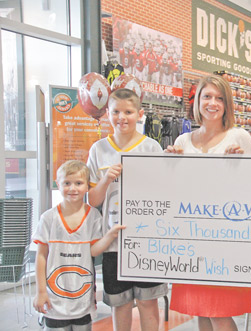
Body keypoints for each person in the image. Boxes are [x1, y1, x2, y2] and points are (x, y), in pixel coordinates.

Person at [165, 74, 251, 331]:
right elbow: (174, 189)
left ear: (227, 104)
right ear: (197, 101)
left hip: (226, 239)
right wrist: (167, 163)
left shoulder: (239, 137)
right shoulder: (183, 141)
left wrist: (240, 166)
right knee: (201, 312)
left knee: (220, 313)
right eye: (207, 96)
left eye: (219, 98)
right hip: (192, 240)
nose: (212, 103)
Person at [87, 88, 168, 331]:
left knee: (147, 303)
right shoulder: (98, 149)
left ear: (140, 114)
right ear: (107, 114)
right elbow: (92, 200)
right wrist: (105, 180)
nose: (122, 117)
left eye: (128, 112)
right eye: (116, 112)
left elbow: (164, 195)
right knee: (120, 305)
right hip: (113, 243)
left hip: (146, 241)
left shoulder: (152, 148)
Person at [33, 160, 125, 331]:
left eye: (78, 183)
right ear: (58, 184)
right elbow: (40, 256)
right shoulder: (48, 218)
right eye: (67, 183)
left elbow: (93, 250)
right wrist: (41, 292)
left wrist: (110, 235)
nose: (73, 188)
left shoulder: (93, 217)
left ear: (87, 186)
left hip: (83, 301)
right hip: (54, 302)